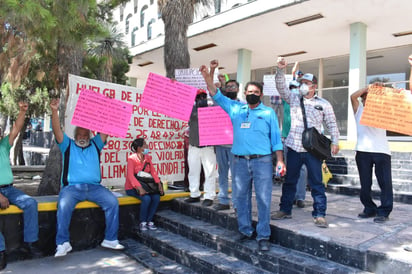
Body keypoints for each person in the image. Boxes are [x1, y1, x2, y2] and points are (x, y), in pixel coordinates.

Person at [200, 60, 286, 252]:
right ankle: (245, 230)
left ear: (261, 95)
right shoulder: (236, 108)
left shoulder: (268, 112)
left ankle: (263, 235)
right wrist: (208, 74)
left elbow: (276, 139)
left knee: (264, 199)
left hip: (262, 162)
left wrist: (280, 160)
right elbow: (215, 93)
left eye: (256, 92)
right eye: (250, 92)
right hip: (239, 162)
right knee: (240, 198)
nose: (253, 95)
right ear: (244, 94)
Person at [50, 98, 124, 257]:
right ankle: (62, 243)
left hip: (95, 188)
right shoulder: (67, 145)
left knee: (112, 202)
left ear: (90, 136)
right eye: (80, 134)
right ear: (75, 135)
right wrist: (54, 111)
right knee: (63, 206)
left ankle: (110, 239)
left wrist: (109, 109)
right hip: (72, 189)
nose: (82, 136)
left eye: (85, 134)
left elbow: (106, 128)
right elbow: (57, 130)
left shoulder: (96, 144)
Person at [271, 57, 340, 228]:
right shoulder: (293, 98)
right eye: (301, 82)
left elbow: (331, 123)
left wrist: (335, 141)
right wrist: (280, 71)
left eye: (306, 82)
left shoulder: (324, 104)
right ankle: (285, 209)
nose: (303, 85)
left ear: (314, 86)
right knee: (289, 181)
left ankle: (320, 214)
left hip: (312, 150)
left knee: (316, 182)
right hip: (293, 147)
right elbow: (280, 87)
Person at [0, 101, 41, 270]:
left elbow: (16, 129)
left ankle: (30, 243)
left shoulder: (3, 145)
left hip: (9, 188)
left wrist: (22, 111)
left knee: (30, 203)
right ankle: (1, 252)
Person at [350, 83, 393, 223]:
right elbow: (352, 96)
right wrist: (368, 88)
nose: (369, 99)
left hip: (382, 151)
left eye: (372, 97)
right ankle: (369, 208)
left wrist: (379, 90)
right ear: (363, 99)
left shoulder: (384, 111)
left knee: (385, 183)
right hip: (363, 151)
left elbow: (392, 99)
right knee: (365, 183)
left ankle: (384, 211)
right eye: (366, 97)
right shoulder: (359, 110)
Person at [184, 89, 217, 207]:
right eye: (198, 97)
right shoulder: (189, 110)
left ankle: (209, 195)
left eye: (203, 97)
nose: (200, 99)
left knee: (210, 173)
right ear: (194, 99)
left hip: (208, 147)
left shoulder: (213, 110)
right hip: (194, 146)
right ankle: (194, 194)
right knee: (193, 171)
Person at [125, 138, 164, 230]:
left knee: (156, 197)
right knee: (146, 199)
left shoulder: (147, 158)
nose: (147, 146)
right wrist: (139, 188)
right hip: (132, 188)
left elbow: (153, 171)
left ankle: (149, 221)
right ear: (139, 148)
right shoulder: (132, 159)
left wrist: (158, 184)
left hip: (147, 187)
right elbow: (130, 176)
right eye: (144, 145)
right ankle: (142, 222)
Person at [214, 80, 239, 211]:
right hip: (220, 144)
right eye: (228, 87)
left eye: (233, 86)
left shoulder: (242, 105)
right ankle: (223, 200)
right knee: (222, 173)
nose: (230, 88)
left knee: (236, 175)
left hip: (235, 146)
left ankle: (236, 203)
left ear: (238, 89)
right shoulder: (220, 103)